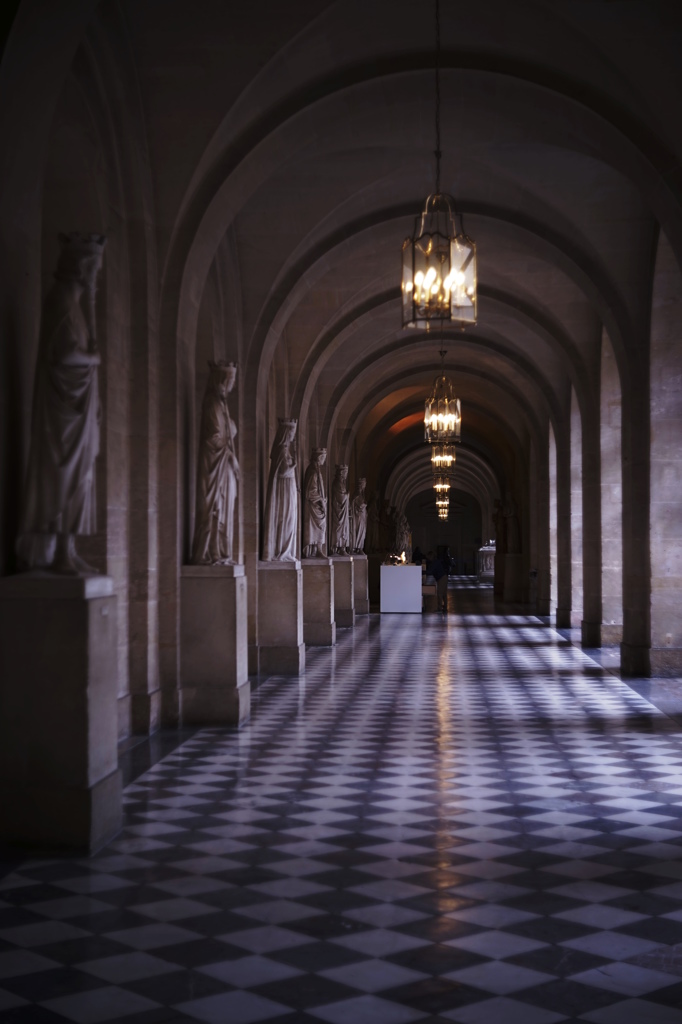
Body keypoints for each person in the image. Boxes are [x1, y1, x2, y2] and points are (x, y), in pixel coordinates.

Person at [17, 232, 106, 573]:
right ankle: (56, 553)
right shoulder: (60, 303)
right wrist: (93, 359)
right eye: (94, 267)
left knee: (82, 478)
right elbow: (64, 355)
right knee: (62, 479)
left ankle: (67, 548)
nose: (95, 275)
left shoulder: (76, 309)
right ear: (80, 268)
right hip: (61, 420)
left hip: (78, 414)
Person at [191, 361, 239, 564]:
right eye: (230, 380)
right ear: (221, 380)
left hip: (224, 467)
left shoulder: (222, 405)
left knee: (225, 510)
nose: (231, 385)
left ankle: (220, 551)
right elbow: (213, 438)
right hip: (215, 466)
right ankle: (207, 552)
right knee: (214, 508)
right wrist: (230, 454)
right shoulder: (212, 404)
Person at [262, 419, 298, 561]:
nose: (292, 437)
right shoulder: (281, 451)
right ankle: (282, 551)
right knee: (285, 518)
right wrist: (294, 465)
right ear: (285, 434)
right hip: (283, 490)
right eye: (291, 434)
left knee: (290, 519)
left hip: (289, 489)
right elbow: (282, 472)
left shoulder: (285, 451)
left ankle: (287, 551)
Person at [302, 447, 327, 557]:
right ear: (319, 457)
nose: (324, 460)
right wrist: (321, 499)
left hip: (318, 504)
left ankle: (317, 549)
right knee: (317, 526)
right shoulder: (312, 470)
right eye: (324, 457)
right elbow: (310, 491)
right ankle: (315, 549)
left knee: (321, 526)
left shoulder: (316, 469)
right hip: (313, 505)